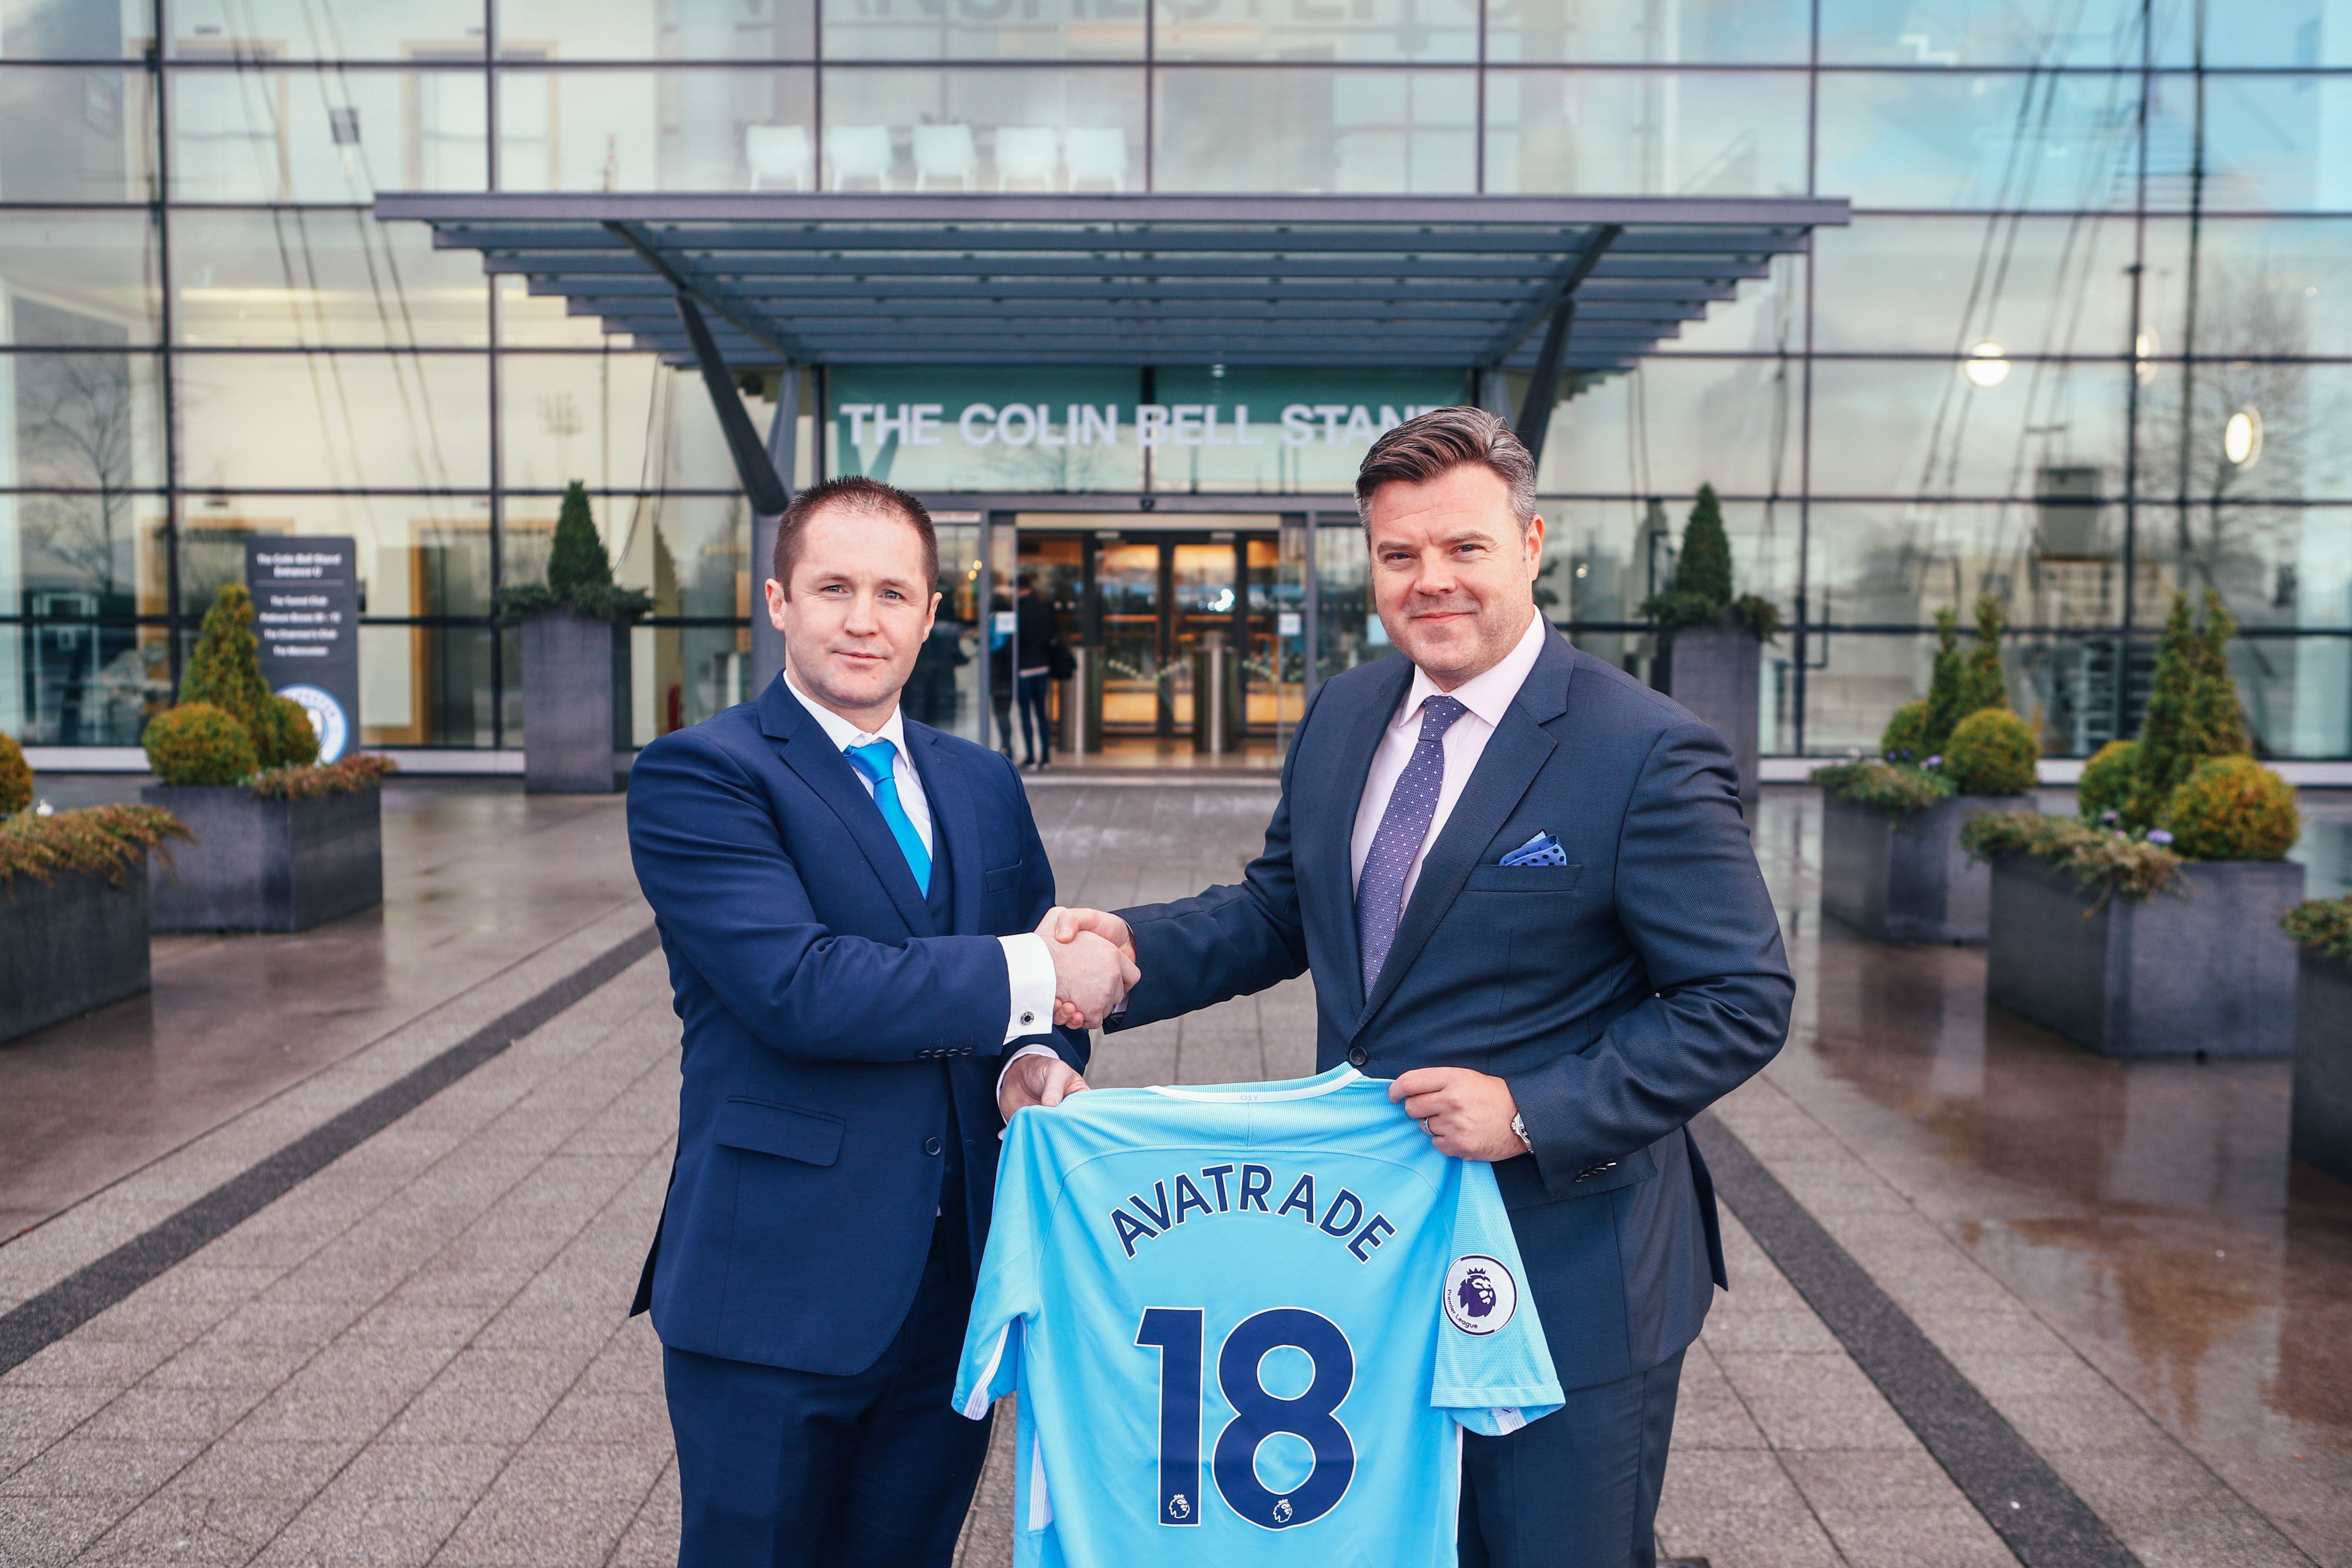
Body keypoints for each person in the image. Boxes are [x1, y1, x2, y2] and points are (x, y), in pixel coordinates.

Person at [1038, 408, 1793, 1568]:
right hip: (1373, 1260)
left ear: (1530, 545)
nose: (1429, 579)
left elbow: (1739, 999)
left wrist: (1532, 1110)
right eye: (1399, 554)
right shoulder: (1347, 712)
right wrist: (1126, 953)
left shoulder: (1643, 749)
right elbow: (1282, 910)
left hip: (1566, 1274)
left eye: (1463, 547)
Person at [626, 475, 1135, 1568]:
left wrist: (1032, 1061)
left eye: (893, 594)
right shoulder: (703, 774)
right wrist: (1040, 972)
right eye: (834, 589)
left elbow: (1032, 1003)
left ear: (932, 613)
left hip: (952, 1287)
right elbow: (802, 987)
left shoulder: (983, 781)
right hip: (775, 1291)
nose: (864, 620)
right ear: (777, 601)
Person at [1013, 573, 1057, 769]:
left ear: (1018, 589)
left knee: (1026, 714)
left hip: (1024, 668)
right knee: (1041, 714)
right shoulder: (1045, 607)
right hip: (1043, 666)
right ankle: (1045, 757)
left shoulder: (1019, 610)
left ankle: (1031, 755)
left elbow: (1016, 640)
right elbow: (1053, 634)